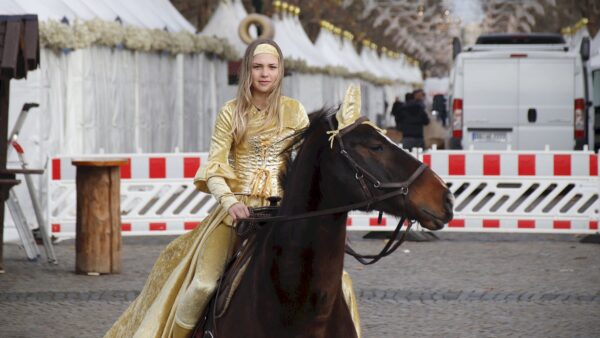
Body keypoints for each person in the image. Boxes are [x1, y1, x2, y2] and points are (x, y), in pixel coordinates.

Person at [104, 39, 361, 338]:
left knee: (338, 283)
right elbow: (213, 169)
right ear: (247, 71)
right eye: (257, 67)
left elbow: (308, 163)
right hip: (235, 214)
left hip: (282, 213)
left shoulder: (295, 111)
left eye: (271, 67)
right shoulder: (231, 112)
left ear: (280, 72)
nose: (265, 74)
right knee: (203, 285)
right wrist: (230, 202)